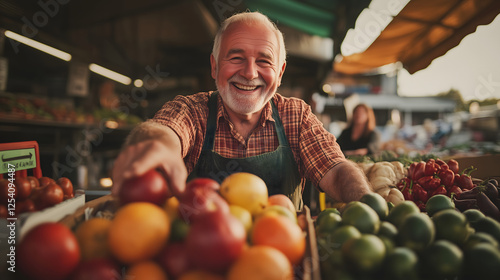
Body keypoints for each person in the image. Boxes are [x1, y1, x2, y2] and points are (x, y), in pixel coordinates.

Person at [111, 11, 372, 210]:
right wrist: (157, 144)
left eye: (263, 61)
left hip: (282, 260)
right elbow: (167, 130)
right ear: (214, 67)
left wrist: (368, 204)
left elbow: (336, 170)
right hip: (202, 259)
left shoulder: (296, 116)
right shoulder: (193, 110)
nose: (249, 73)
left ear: (279, 73)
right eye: (236, 58)